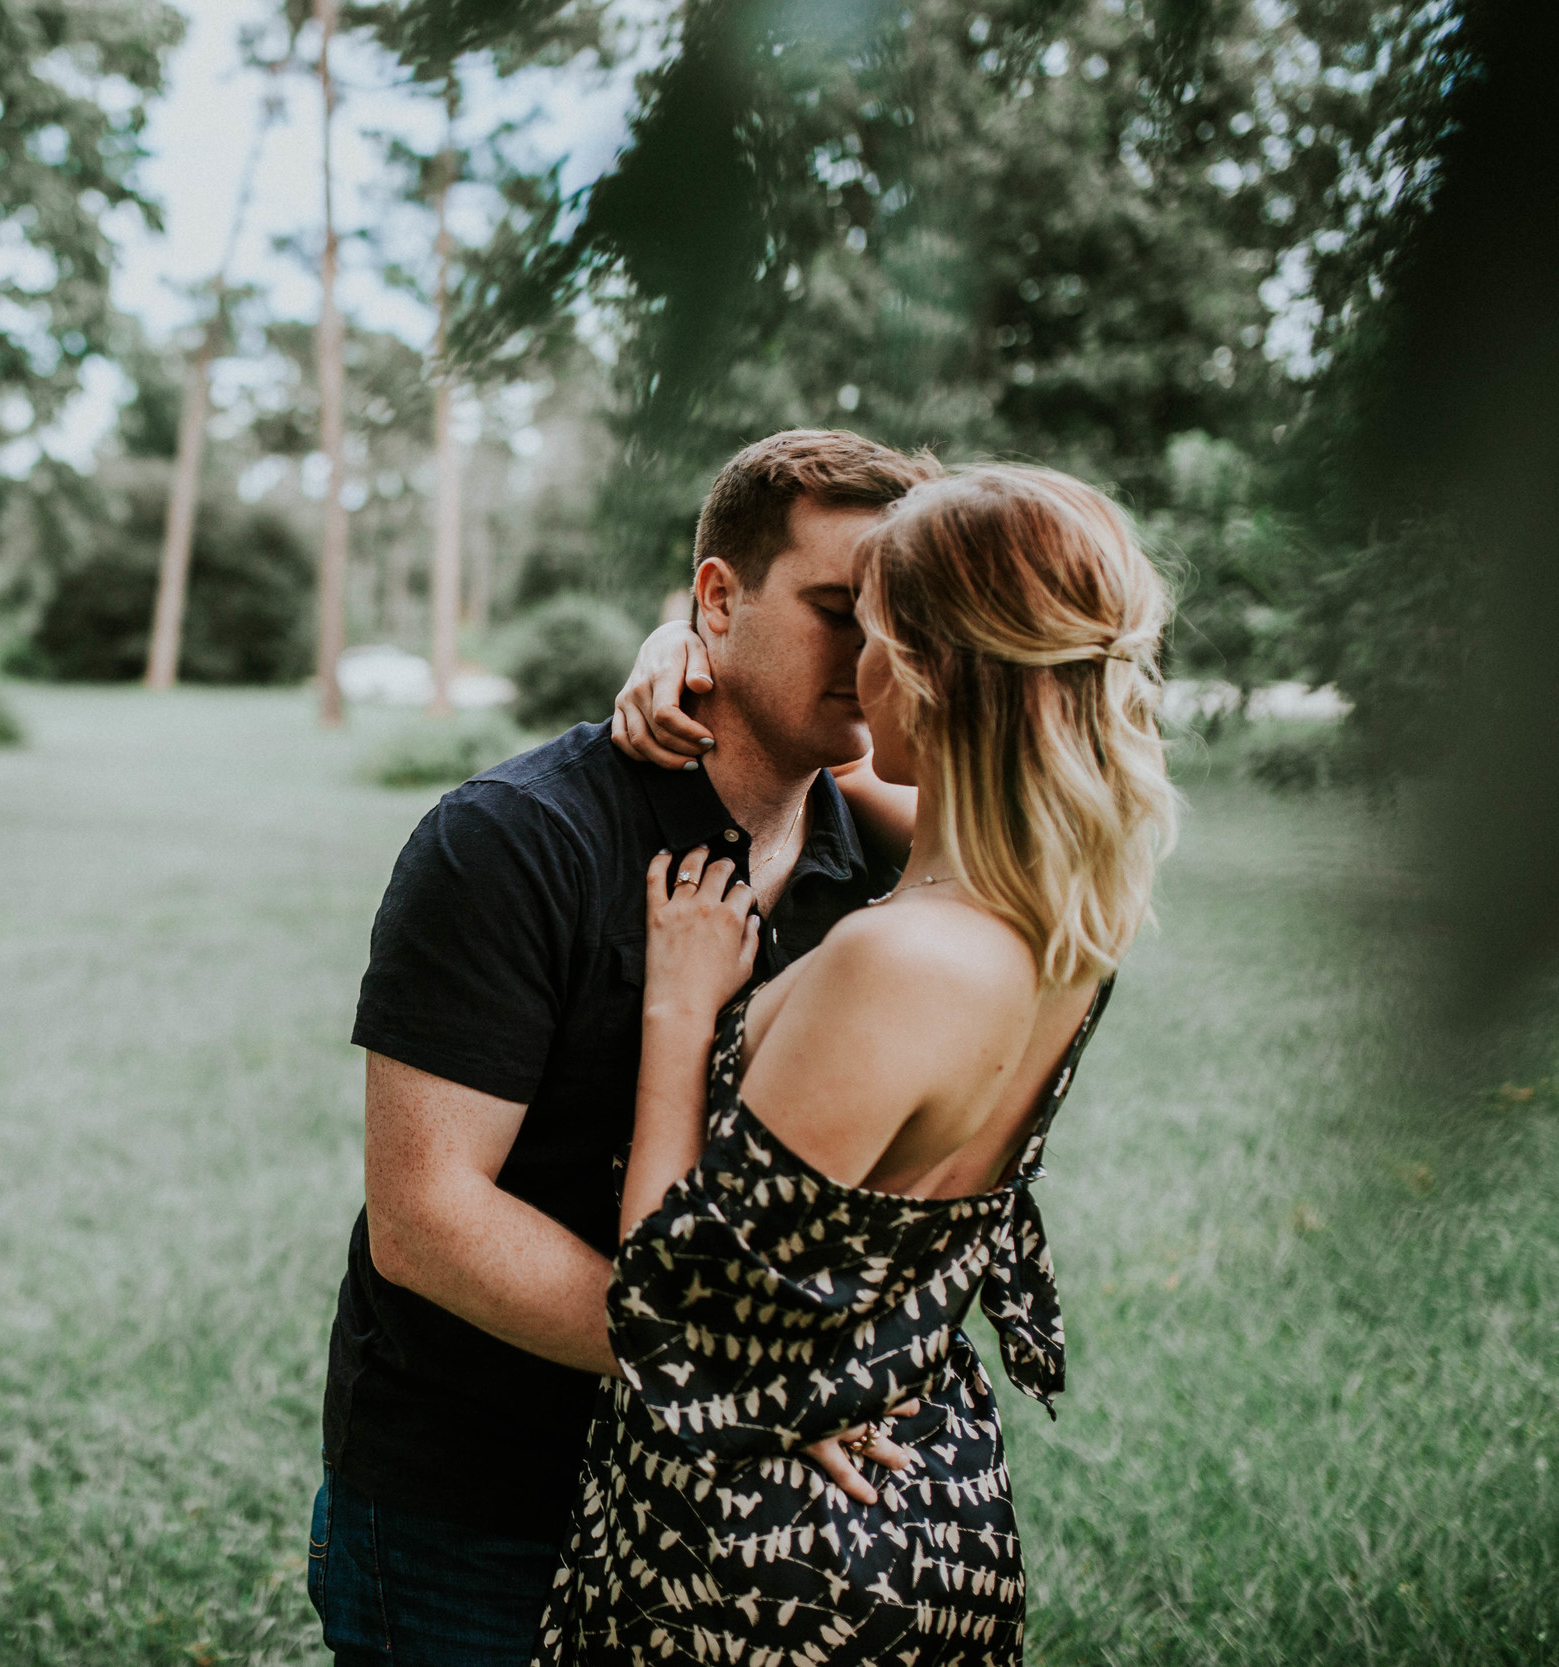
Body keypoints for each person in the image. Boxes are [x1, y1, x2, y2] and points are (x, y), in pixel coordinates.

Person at [310, 432, 937, 1666]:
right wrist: (746, 1373)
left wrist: (761, 1387)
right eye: (833, 611)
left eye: (899, 623)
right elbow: (427, 1214)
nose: (873, 660)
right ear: (715, 595)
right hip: (481, 1508)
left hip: (736, 1514)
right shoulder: (512, 840)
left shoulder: (880, 866)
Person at [535, 465, 1178, 1665]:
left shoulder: (895, 958)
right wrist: (684, 639)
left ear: (927, 672)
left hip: (760, 1564)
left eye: (869, 636)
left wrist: (681, 1012)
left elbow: (671, 1313)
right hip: (930, 1505)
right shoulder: (1064, 925)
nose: (851, 674)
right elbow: (842, 759)